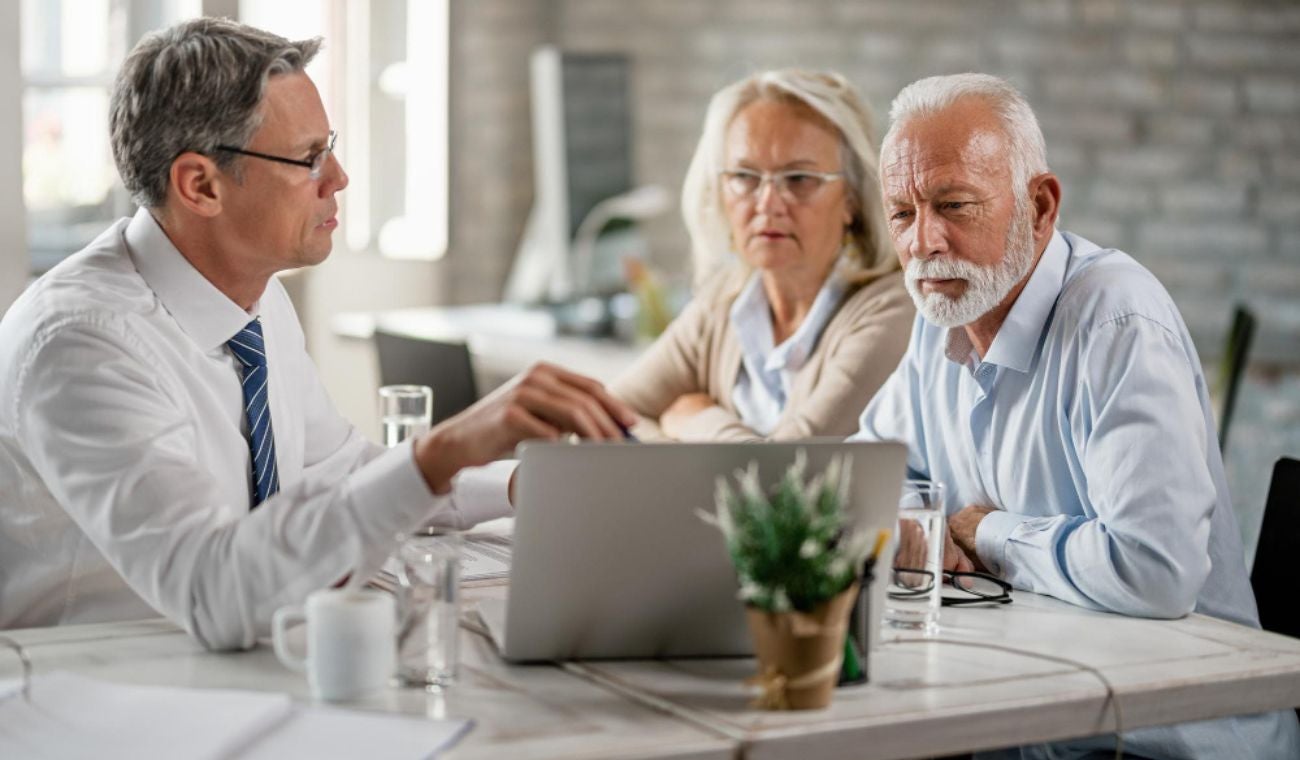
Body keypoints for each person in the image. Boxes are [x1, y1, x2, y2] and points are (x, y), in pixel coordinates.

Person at [0, 18, 635, 650]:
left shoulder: (254, 297)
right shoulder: (81, 342)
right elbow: (213, 593)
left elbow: (341, 475)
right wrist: (443, 449)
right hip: (97, 694)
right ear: (200, 185)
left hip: (223, 675)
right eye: (308, 158)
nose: (338, 178)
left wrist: (518, 485)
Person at [853, 72, 1299, 758]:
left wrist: (986, 533)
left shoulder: (1117, 322)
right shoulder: (939, 314)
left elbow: (1153, 567)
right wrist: (919, 526)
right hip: (1029, 724)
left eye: (954, 204)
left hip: (1164, 744)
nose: (925, 243)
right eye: (903, 214)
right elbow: (865, 477)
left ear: (1040, 206)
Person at [611, 70, 914, 441]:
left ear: (851, 198)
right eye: (745, 176)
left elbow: (785, 482)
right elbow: (600, 420)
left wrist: (696, 419)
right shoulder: (723, 304)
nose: (768, 204)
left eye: (799, 178)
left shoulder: (894, 312)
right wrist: (676, 445)